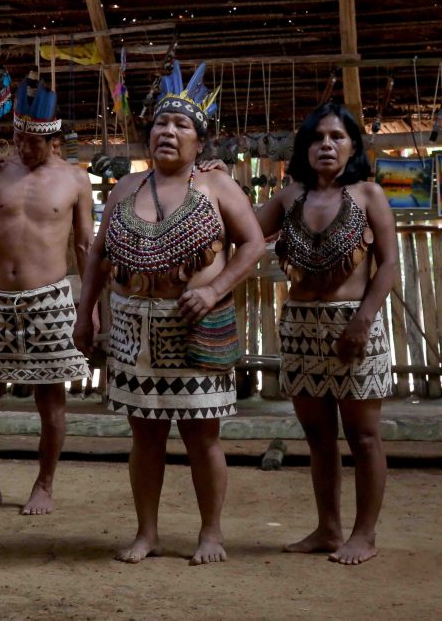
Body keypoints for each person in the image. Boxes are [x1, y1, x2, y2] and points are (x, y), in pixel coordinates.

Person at [74, 61, 266, 565]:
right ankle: (148, 532)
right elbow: (97, 255)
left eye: (181, 125)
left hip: (196, 325)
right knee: (145, 435)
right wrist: (85, 312)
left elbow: (252, 246)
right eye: (161, 123)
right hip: (135, 327)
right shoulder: (124, 190)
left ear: (199, 141)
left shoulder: (218, 188)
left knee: (202, 435)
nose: (168, 131)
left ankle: (211, 533)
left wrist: (215, 288)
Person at [255, 102, 397, 565]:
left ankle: (365, 535)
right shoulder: (288, 197)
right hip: (299, 327)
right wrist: (211, 178)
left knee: (365, 437)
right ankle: (328, 529)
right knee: (317, 435)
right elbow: (240, 229)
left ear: (353, 145)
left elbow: (389, 264)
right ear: (304, 148)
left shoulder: (369, 194)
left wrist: (363, 319)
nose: (326, 145)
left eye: (336, 137)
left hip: (354, 327)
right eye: (317, 138)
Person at [0, 77, 94, 516]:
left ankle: (44, 485)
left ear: (52, 139)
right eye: (18, 138)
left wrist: (91, 312)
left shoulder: (75, 180)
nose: (23, 147)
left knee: (49, 398)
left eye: (33, 141)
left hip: (50, 300)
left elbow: (85, 247)